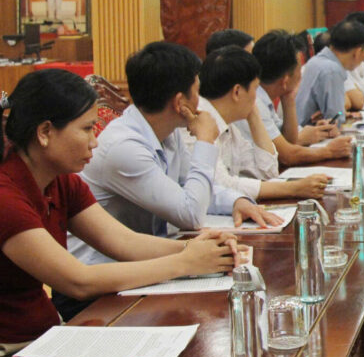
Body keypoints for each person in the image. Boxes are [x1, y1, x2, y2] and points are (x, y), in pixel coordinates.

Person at [0, 70, 237, 357]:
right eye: (87, 129)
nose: (95, 141)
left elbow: (124, 243)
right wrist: (185, 262)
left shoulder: (61, 182)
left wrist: (199, 249)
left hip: (46, 337)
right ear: (45, 132)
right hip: (2, 353)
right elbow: (78, 281)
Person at [68, 42, 277, 272]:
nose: (200, 100)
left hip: (148, 260)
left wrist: (237, 201)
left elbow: (194, 187)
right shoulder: (124, 147)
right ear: (180, 103)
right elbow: (190, 214)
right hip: (103, 272)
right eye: (197, 91)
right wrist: (205, 140)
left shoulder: (168, 132)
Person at [191, 46, 332, 201]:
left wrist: (254, 116)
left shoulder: (229, 125)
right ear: (237, 92)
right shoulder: (198, 123)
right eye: (255, 89)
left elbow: (268, 172)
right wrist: (293, 188)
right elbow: (222, 185)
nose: (256, 98)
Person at [251, 30, 352, 166]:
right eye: (299, 69)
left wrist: (289, 98)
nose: (301, 75)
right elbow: (287, 156)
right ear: (285, 80)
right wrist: (329, 151)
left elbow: (290, 140)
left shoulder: (265, 97)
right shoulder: (255, 102)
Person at [296, 19, 364, 125]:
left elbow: (336, 113)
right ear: (358, 52)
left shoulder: (317, 60)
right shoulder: (332, 70)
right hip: (310, 132)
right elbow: (335, 121)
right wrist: (339, 116)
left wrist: (341, 114)